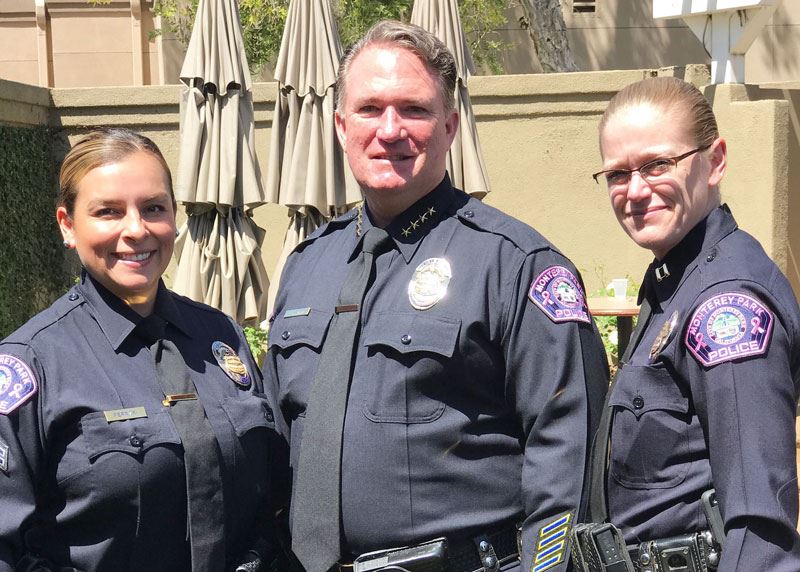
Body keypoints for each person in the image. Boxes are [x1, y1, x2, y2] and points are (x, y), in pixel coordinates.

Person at [263, 20, 608, 572]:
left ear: (450, 126)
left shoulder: (513, 264)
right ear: (339, 125)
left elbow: (569, 454)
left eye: (414, 110)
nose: (390, 129)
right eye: (370, 109)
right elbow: (276, 441)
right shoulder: (307, 266)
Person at [0, 128, 286, 571]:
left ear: (174, 216)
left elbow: (268, 503)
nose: (136, 230)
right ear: (67, 226)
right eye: (108, 212)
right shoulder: (30, 364)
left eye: (153, 208)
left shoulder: (220, 335)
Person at [577, 76, 800, 571]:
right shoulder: (673, 284)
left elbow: (759, 527)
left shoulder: (726, 307)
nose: (635, 190)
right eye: (617, 174)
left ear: (715, 160)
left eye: (657, 164)